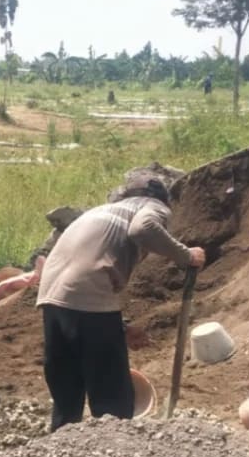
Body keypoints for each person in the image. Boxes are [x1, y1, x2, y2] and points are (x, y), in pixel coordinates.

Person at [36, 176, 205, 432]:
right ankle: (115, 455)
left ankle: (58, 454)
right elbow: (144, 228)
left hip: (51, 298)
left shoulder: (101, 212)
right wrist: (186, 255)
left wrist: (120, 328)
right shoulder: (151, 206)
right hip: (87, 296)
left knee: (67, 393)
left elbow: (77, 287)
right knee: (113, 399)